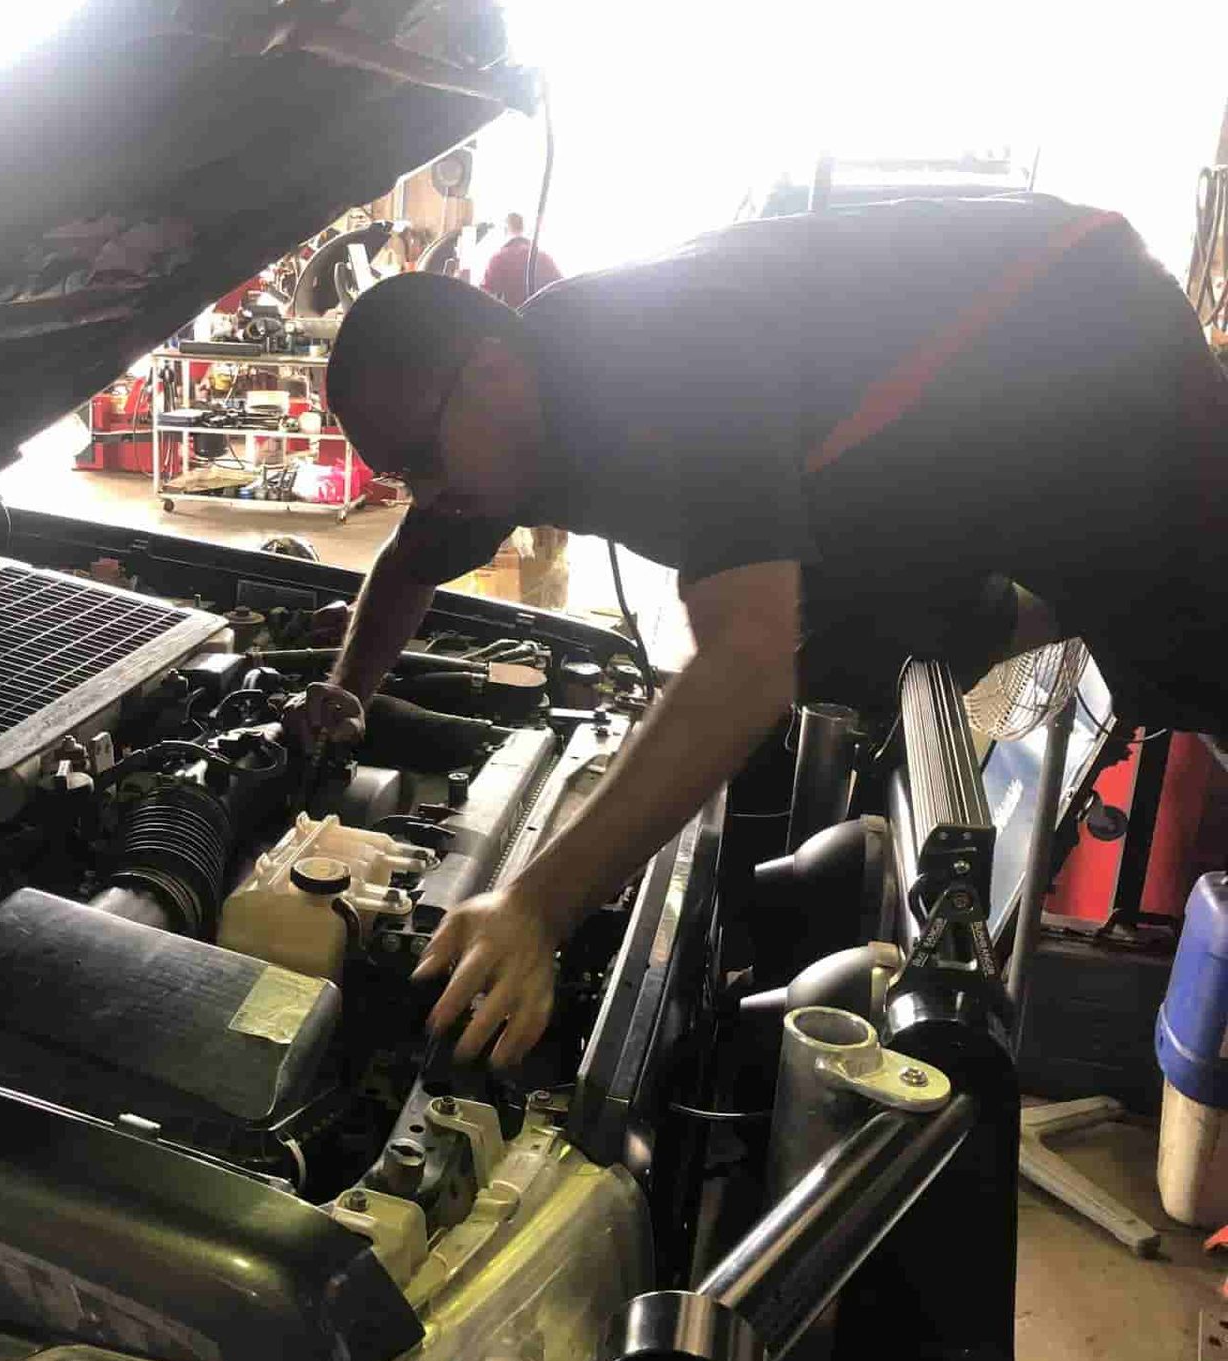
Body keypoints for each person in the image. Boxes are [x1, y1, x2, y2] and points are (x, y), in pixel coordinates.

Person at [290, 193, 1228, 1069]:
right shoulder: (508, 420)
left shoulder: (659, 368)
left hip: (1093, 346)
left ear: (490, 372)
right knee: (841, 658)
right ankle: (1041, 608)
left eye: (418, 460)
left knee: (1189, 656)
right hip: (932, 447)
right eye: (395, 474)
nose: (421, 492)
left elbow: (739, 670)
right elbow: (411, 562)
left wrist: (538, 906)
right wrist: (349, 694)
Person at [479, 212, 562, 308]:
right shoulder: (544, 257)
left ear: (505, 230)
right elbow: (562, 289)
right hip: (541, 319)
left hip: (510, 320)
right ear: (523, 229)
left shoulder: (498, 259)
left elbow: (483, 297)